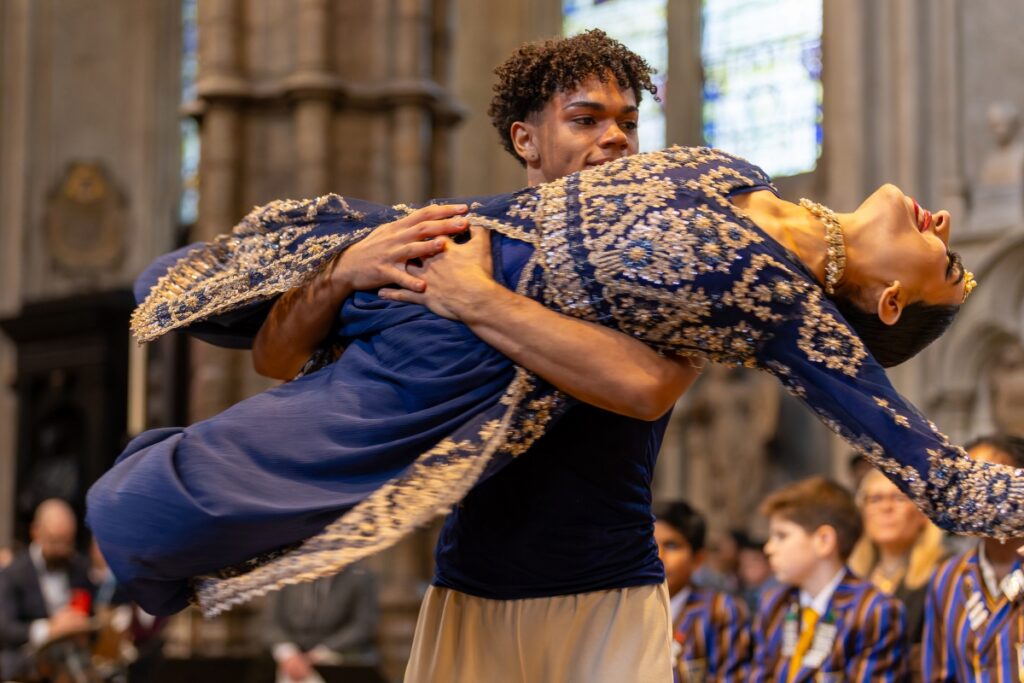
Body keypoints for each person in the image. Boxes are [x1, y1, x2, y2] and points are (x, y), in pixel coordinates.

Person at [89, 105, 995, 673]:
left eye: (945, 263)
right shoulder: (742, 173)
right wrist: (346, 266)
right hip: (417, 246)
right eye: (589, 117)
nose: (941, 222)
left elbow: (947, 478)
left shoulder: (779, 307)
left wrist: (476, 299)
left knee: (150, 506)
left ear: (886, 300)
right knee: (169, 281)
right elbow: (275, 354)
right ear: (528, 137)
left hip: (468, 373)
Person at [750, 477, 907, 681]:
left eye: (782, 536)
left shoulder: (873, 610)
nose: (769, 548)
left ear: (824, 540)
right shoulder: (775, 604)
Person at [921, 434, 1024, 682]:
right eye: (965, 485)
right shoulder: (948, 576)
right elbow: (938, 671)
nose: (975, 498)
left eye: (989, 482)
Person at [653, 501, 750, 681]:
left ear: (697, 559)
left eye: (672, 545)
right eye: (649, 544)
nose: (657, 555)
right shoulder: (624, 609)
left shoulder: (720, 611)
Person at [848, 469, 945, 648]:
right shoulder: (851, 577)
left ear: (923, 513)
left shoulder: (944, 575)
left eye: (899, 498)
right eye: (875, 499)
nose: (886, 507)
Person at [0, 499, 94, 680]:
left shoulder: (79, 566)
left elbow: (89, 608)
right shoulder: (13, 573)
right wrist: (50, 628)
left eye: (68, 542)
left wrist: (83, 625)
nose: (62, 549)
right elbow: (5, 629)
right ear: (35, 531)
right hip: (27, 659)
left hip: (74, 656)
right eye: (55, 541)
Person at [264, 565, 377, 683]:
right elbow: (270, 622)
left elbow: (362, 626)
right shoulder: (288, 576)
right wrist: (289, 654)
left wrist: (318, 655)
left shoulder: (359, 577)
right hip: (292, 656)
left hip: (338, 655)